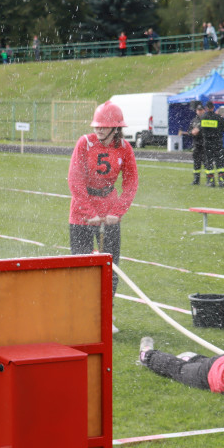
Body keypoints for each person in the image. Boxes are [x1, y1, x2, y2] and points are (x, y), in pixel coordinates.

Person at [67, 100, 138, 331]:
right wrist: (89, 213)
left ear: (116, 128)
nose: (99, 129)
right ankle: (81, 314)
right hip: (81, 211)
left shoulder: (125, 149)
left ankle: (107, 313)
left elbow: (130, 183)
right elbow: (75, 180)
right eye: (97, 125)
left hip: (109, 209)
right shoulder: (85, 143)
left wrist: (117, 213)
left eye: (104, 125)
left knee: (110, 266)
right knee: (80, 265)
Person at [200, 101, 224, 187]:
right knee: (220, 163)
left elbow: (201, 130)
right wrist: (220, 117)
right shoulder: (218, 117)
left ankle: (210, 182)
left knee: (209, 162)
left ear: (206, 108)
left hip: (207, 143)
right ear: (213, 108)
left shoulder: (203, 117)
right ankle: (221, 182)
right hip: (217, 143)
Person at [188, 101, 206, 185]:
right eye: (198, 110)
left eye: (201, 110)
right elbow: (189, 131)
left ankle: (210, 180)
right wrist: (192, 132)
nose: (199, 111)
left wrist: (200, 131)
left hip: (205, 145)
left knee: (207, 164)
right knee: (196, 164)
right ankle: (196, 180)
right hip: (196, 145)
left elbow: (208, 131)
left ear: (204, 110)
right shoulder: (194, 120)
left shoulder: (206, 120)